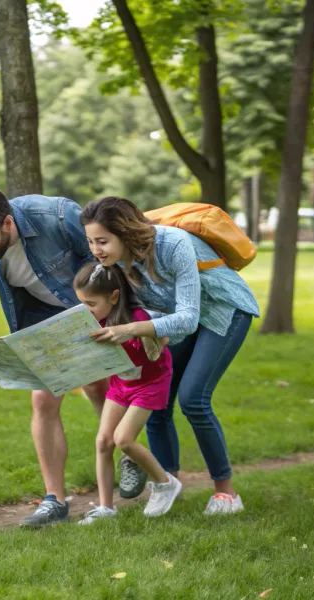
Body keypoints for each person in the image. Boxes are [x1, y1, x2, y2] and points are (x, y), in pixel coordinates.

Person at [0, 184, 124, 527]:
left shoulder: (56, 216)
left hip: (89, 310)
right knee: (43, 401)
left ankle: (126, 449)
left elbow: (103, 261)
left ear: (8, 224)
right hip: (41, 320)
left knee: (99, 387)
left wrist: (100, 317)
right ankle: (54, 500)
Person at [81, 197, 260, 514]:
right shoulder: (117, 262)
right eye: (91, 241)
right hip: (171, 324)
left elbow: (190, 317)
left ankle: (226, 495)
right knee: (158, 402)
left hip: (222, 312)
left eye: (102, 241)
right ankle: (167, 484)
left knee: (194, 399)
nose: (96, 249)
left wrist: (130, 330)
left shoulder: (173, 243)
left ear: (124, 233)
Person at [72, 262, 182, 523]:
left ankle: (166, 483)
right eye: (81, 303)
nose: (85, 310)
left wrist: (133, 338)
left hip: (149, 383)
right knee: (103, 441)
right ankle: (105, 509)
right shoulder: (94, 319)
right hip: (120, 384)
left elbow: (161, 341)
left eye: (90, 303)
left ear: (113, 296)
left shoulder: (138, 319)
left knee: (123, 439)